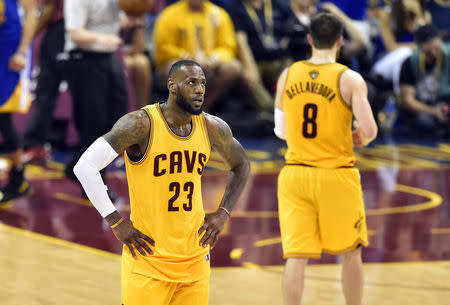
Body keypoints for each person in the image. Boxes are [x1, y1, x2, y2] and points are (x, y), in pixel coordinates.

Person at [73, 60, 250, 305]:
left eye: (202, 84)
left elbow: (241, 165)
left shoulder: (211, 126)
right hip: (148, 259)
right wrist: (115, 222)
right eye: (191, 83)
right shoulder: (140, 124)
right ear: (172, 86)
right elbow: (84, 166)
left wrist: (223, 212)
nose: (199, 89)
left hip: (195, 260)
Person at [274, 13, 377, 305]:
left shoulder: (287, 74)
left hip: (295, 174)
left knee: (296, 256)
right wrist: (358, 136)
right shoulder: (350, 78)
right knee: (351, 251)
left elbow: (281, 131)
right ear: (340, 41)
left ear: (310, 39)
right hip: (336, 175)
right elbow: (369, 131)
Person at [63, 0, 129, 198]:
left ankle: (76, 166)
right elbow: (75, 32)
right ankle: (94, 184)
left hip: (108, 57)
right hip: (83, 58)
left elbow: (122, 17)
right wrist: (103, 38)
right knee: (93, 122)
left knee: (119, 120)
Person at [153, 0, 241, 111]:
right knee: (172, 67)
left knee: (233, 67)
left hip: (210, 66)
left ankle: (203, 107)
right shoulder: (170, 14)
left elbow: (228, 47)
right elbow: (163, 47)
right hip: (182, 62)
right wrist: (187, 58)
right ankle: (182, 108)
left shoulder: (218, 14)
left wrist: (213, 59)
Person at [0, 0, 37, 204]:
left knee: (3, 116)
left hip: (9, 50)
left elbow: (31, 13)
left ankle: (18, 178)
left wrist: (22, 51)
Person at [22, 0, 64, 163]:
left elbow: (49, 8)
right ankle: (37, 144)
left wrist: (27, 38)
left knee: (46, 90)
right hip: (73, 30)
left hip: (60, 31)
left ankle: (34, 145)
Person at [399, 24, 450, 137]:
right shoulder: (410, 63)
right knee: (423, 121)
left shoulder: (447, 55)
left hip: (445, 103)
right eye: (430, 44)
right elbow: (408, 101)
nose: (434, 48)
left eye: (437, 43)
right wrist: (433, 111)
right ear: (420, 46)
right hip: (425, 108)